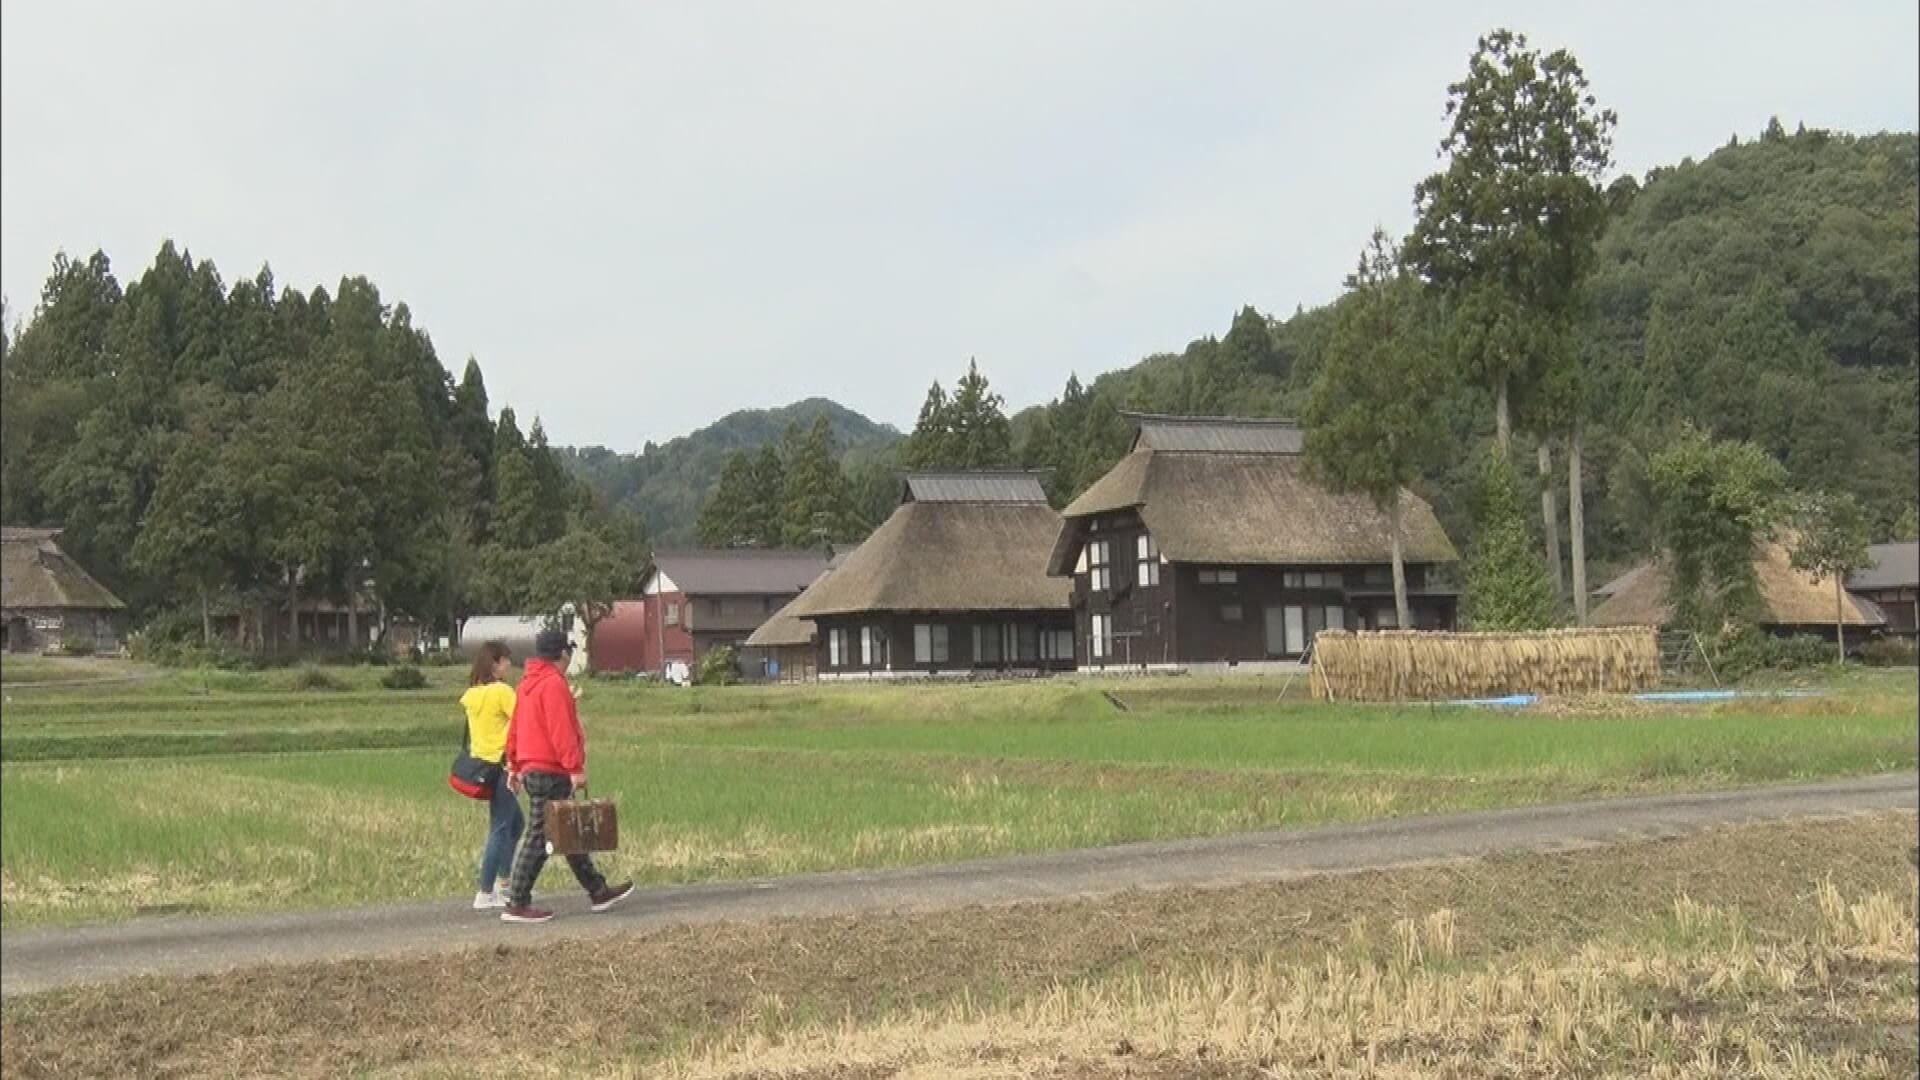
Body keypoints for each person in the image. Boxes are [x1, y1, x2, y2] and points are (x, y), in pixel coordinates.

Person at [500, 628, 633, 923]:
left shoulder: (526, 685)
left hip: (531, 766)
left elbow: (516, 727)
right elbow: (561, 731)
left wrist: (514, 764)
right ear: (563, 653)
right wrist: (575, 768)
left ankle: (597, 889)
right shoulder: (554, 685)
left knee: (567, 833)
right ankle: (517, 900)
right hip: (551, 769)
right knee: (540, 836)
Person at [461, 641, 523, 910]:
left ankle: (503, 883)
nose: (509, 665)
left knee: (515, 824)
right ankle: (488, 890)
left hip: (483, 768)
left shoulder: (473, 694)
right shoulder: (502, 692)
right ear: (495, 663)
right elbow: (523, 719)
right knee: (500, 827)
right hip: (502, 766)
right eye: (506, 660)